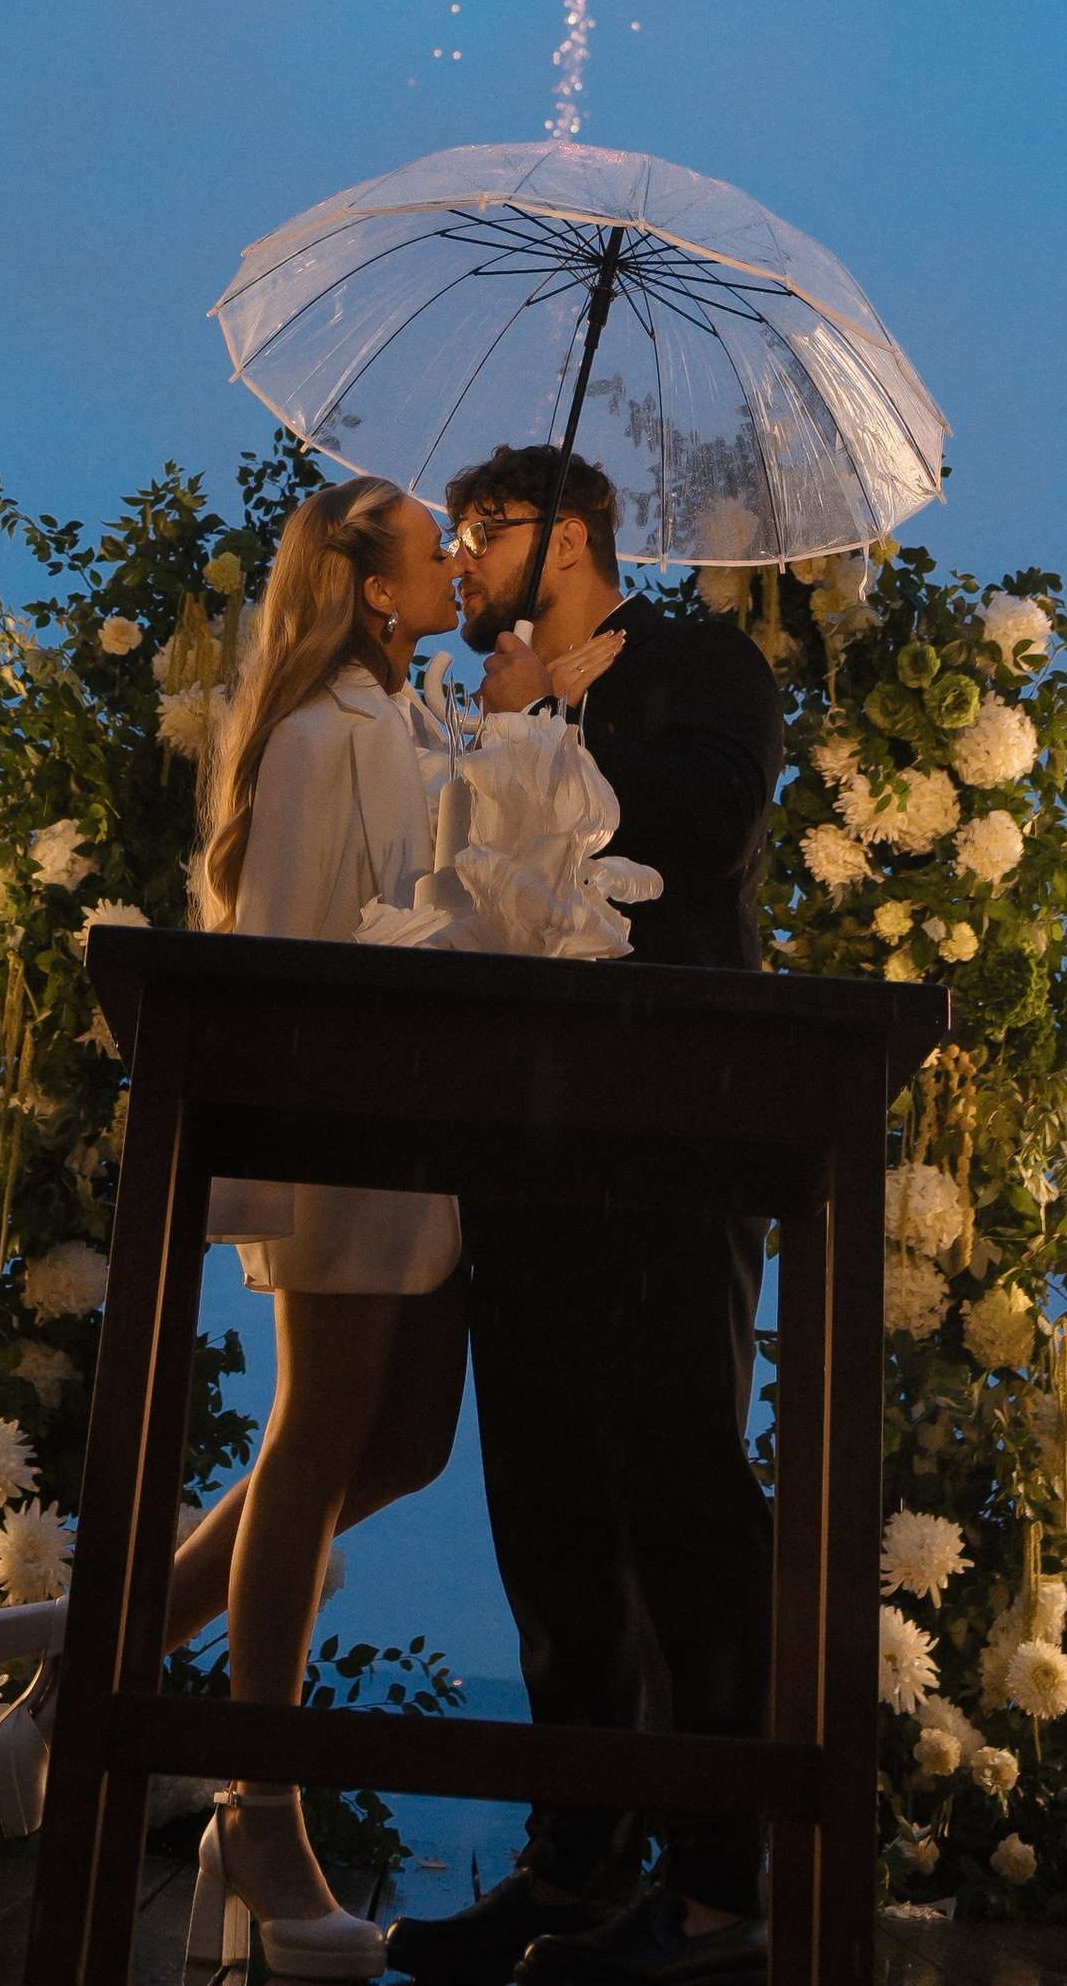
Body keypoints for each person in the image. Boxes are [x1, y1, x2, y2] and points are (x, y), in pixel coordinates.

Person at [387, 446, 785, 1986]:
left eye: (475, 535)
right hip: (523, 1127)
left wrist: (541, 733)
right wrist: (488, 738)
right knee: (542, 1497)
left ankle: (718, 1885)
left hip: (675, 1118)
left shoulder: (701, 664)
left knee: (678, 1475)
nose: (459, 561)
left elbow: (696, 835)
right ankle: (570, 1864)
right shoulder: (478, 692)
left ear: (559, 538)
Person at [165, 475, 469, 1981]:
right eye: (436, 553)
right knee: (317, 1429)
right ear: (368, 589)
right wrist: (276, 1172)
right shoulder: (311, 740)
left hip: (429, 1143)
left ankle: (101, 1654)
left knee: (406, 1445)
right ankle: (257, 1806)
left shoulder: (420, 720)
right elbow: (283, 946)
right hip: (344, 1139)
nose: (459, 569)